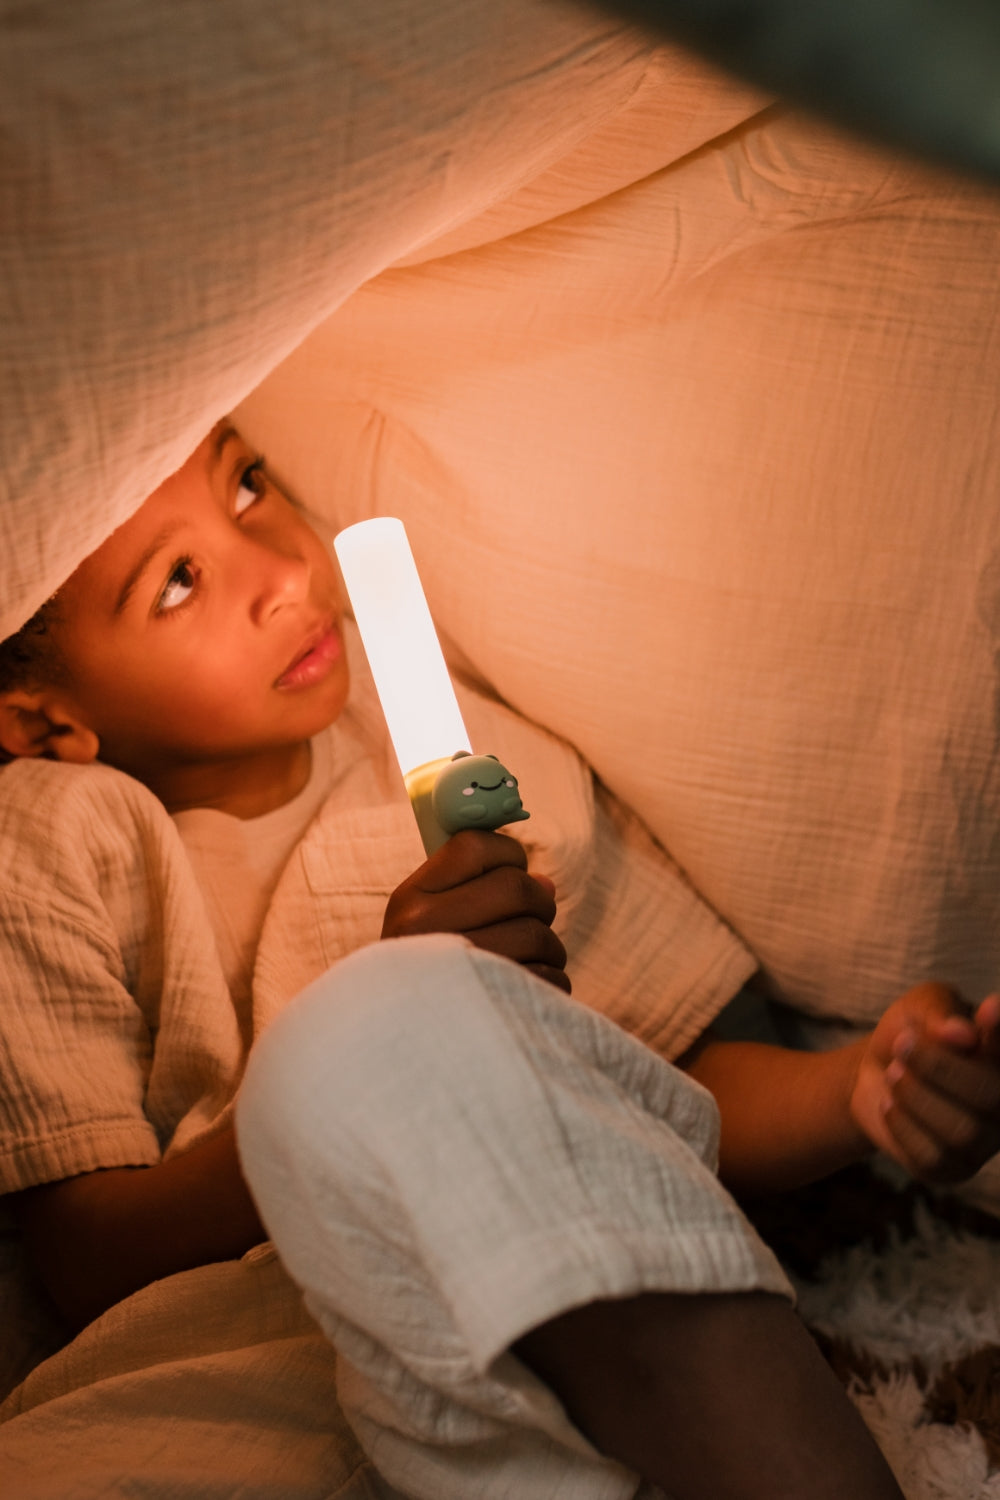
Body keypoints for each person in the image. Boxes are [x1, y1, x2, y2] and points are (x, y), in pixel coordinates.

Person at [0, 419, 992, 1500]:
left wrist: (866, 1086)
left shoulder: (461, 759)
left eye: (246, 486)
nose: (285, 570)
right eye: (179, 583)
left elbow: (663, 1080)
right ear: (48, 727)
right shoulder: (56, 837)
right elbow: (84, 1262)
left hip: (540, 1339)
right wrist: (386, 1034)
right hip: (240, 1374)